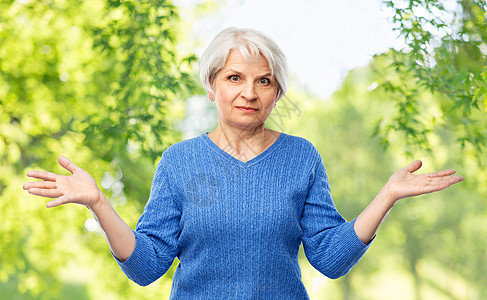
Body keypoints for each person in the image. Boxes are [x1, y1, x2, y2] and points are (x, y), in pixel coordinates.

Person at [23, 27, 463, 299]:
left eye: (263, 81)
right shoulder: (179, 162)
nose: (249, 92)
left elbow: (329, 258)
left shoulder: (301, 157)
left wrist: (386, 196)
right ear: (212, 87)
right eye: (234, 77)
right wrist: (99, 203)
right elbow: (146, 267)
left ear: (278, 93)